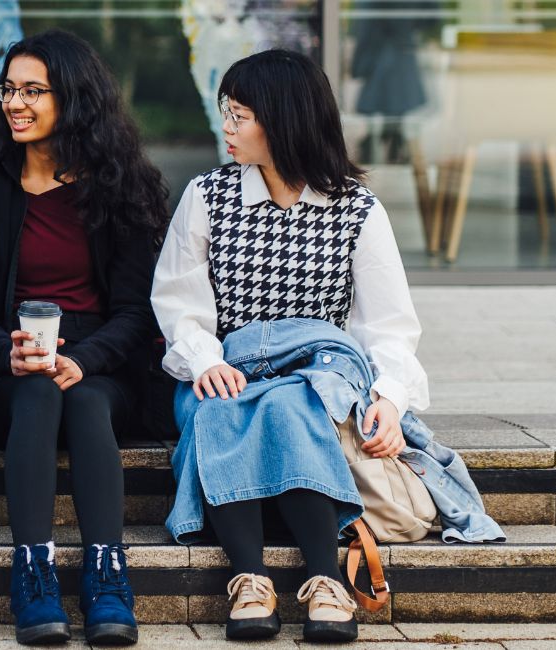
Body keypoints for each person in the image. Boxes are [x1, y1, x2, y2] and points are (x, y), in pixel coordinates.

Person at [150, 49, 427, 643]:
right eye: (227, 111)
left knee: (289, 402)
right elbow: (177, 304)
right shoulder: (207, 196)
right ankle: (253, 578)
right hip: (224, 371)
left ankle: (322, 579)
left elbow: (390, 327)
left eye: (240, 114)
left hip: (318, 378)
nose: (226, 125)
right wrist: (207, 360)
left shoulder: (356, 210)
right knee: (227, 403)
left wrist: (390, 400)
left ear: (284, 119)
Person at [0, 29, 166, 647]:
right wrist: (5, 352)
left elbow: (138, 311)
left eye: (33, 90)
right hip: (3, 372)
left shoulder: (123, 186)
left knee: (87, 397)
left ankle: (106, 572)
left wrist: (84, 359)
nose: (15, 102)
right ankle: (33, 569)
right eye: (9, 89)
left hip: (103, 366)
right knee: (39, 395)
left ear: (74, 98)